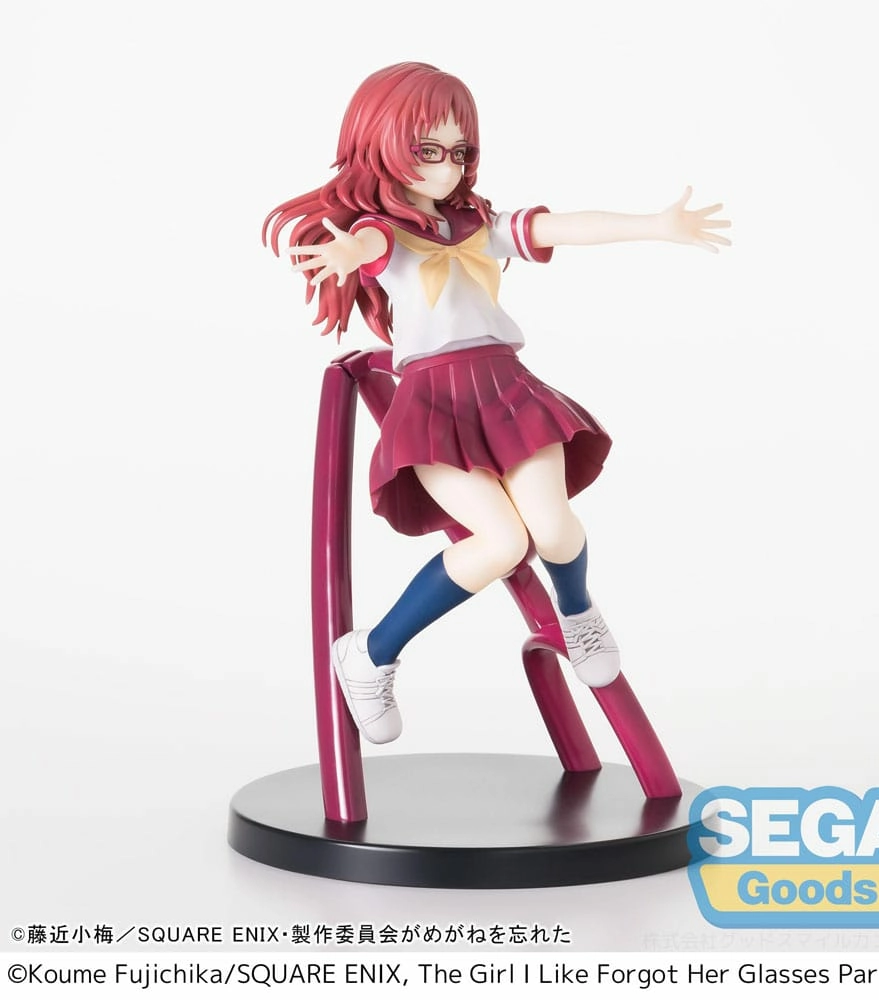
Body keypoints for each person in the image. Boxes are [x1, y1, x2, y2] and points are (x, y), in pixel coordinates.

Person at [264, 62, 730, 744]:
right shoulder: (385, 233)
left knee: (552, 524)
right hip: (433, 404)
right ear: (381, 142)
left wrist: (656, 225)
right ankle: (371, 653)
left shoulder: (476, 224)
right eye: (427, 149)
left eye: (460, 152)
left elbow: (562, 227)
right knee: (502, 542)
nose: (447, 167)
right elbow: (367, 242)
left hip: (507, 391)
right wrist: (346, 255)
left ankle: (577, 612)